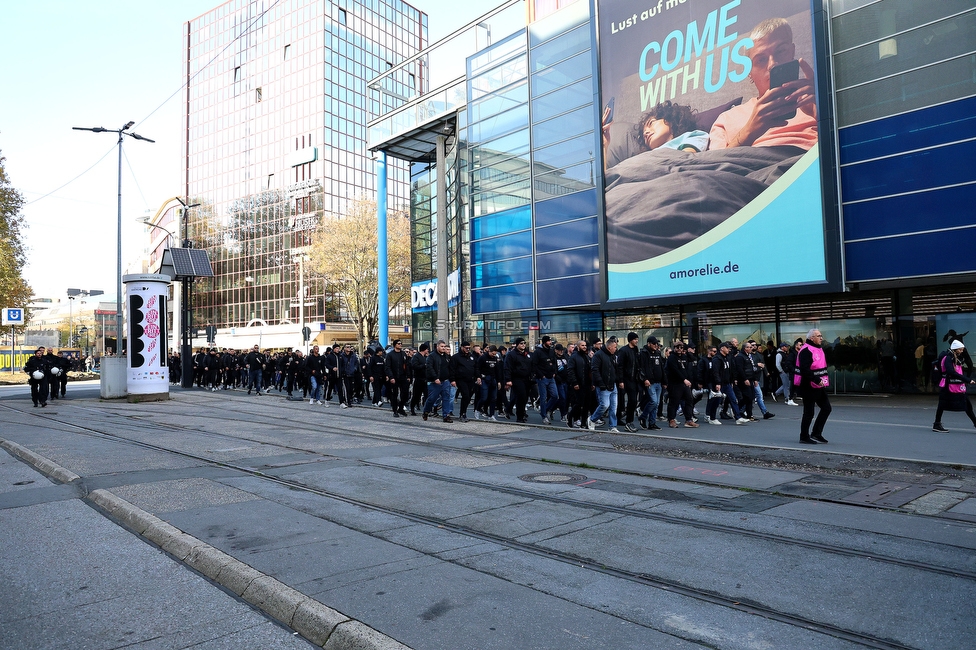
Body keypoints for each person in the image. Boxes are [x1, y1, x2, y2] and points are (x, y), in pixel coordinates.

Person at [708, 18, 817, 152]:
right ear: (749, 72)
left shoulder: (814, 99)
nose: (772, 64)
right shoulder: (726, 119)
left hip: (805, 164)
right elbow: (713, 166)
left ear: (792, 52)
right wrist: (749, 131)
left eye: (780, 51)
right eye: (761, 60)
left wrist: (823, 113)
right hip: (751, 169)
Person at [796, 329, 832, 444]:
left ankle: (816, 433)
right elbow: (804, 369)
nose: (821, 338)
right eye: (818, 336)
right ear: (812, 338)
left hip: (819, 385)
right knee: (809, 412)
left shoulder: (818, 348)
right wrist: (817, 379)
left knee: (826, 408)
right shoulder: (806, 350)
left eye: (821, 336)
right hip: (809, 385)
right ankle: (804, 436)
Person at [933, 340, 976, 432]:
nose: (962, 351)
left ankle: (937, 424)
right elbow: (951, 372)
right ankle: (937, 424)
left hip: (956, 385)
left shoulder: (955, 357)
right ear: (955, 349)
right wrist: (967, 379)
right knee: (942, 404)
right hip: (949, 385)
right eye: (960, 349)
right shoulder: (948, 358)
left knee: (966, 405)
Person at [587, 336, 619, 432]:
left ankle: (612, 426)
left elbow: (615, 369)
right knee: (604, 405)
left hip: (612, 384)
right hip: (603, 385)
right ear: (609, 347)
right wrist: (600, 383)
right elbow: (595, 370)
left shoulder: (613, 356)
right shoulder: (598, 355)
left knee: (613, 407)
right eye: (614, 347)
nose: (616, 349)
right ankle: (592, 419)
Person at [422, 340, 454, 423]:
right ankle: (426, 411)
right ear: (437, 347)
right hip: (434, 382)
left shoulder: (447, 356)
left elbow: (450, 368)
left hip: (445, 381)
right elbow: (429, 368)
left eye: (444, 346)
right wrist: (435, 378)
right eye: (442, 346)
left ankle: (446, 415)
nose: (443, 348)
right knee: (432, 398)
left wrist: (452, 379)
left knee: (446, 398)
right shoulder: (432, 356)